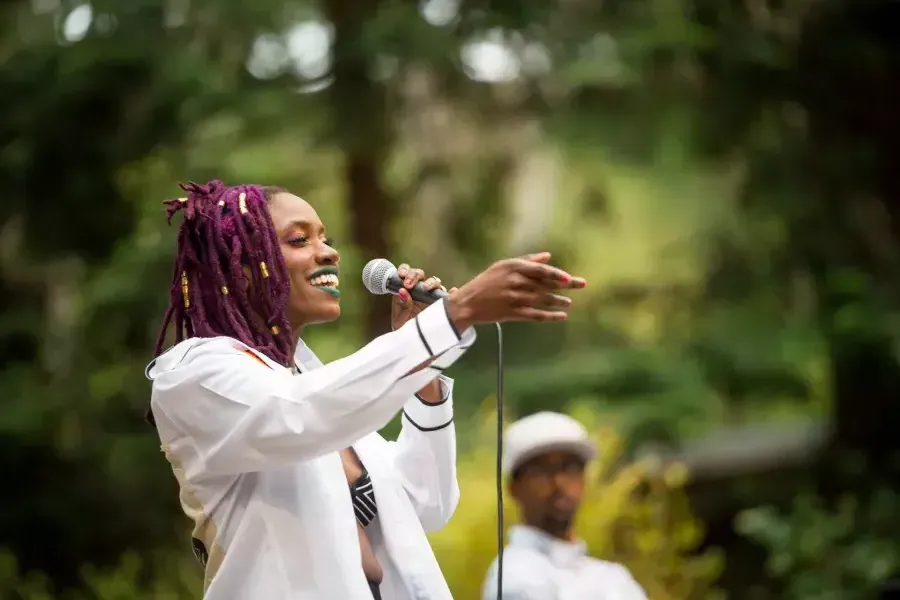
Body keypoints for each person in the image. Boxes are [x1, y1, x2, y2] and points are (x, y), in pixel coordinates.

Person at [145, 180, 586, 600]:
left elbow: (428, 503)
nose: (328, 253)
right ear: (238, 269)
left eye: (326, 238)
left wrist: (425, 371)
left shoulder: (322, 394)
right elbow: (300, 414)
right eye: (299, 240)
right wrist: (456, 311)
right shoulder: (193, 374)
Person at [482, 412, 647, 600]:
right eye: (542, 470)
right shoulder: (514, 576)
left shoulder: (613, 578)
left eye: (571, 467)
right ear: (513, 488)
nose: (559, 482)